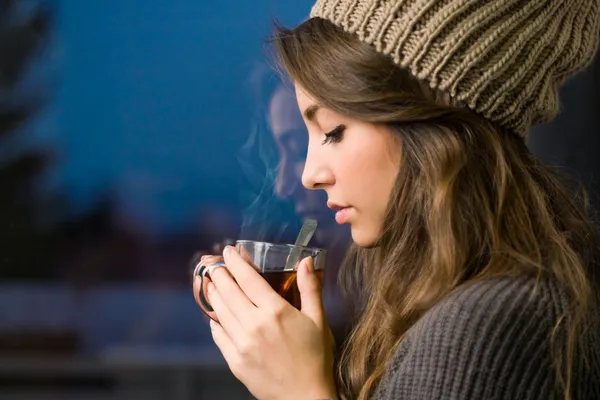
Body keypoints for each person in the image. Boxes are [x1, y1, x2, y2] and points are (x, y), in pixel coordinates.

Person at [193, 1, 600, 399]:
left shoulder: (485, 325)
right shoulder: (459, 301)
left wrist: (299, 390)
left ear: (430, 130)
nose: (308, 175)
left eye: (333, 131)